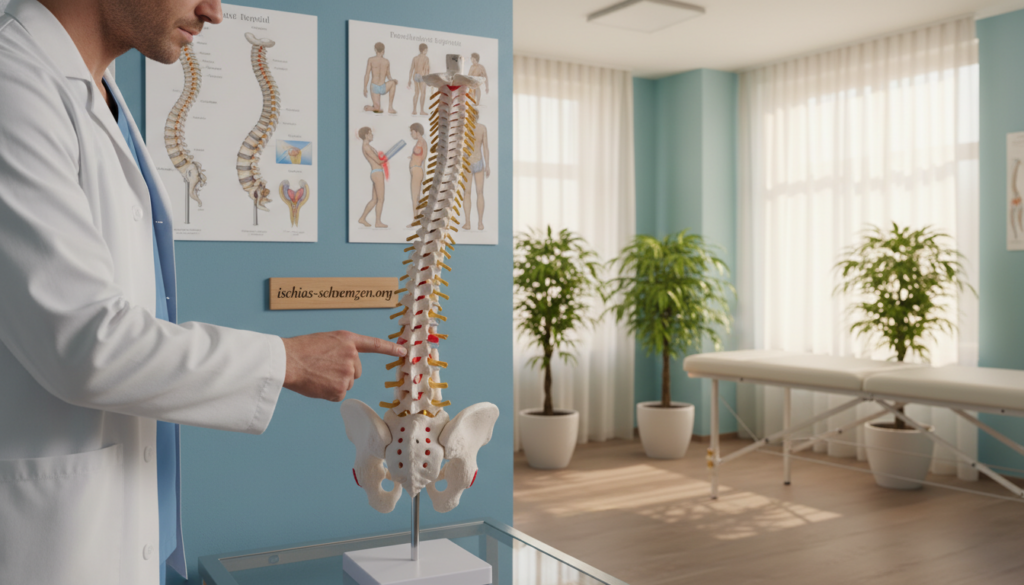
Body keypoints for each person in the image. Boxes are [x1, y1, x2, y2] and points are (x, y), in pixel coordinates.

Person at [0, 1, 406, 584]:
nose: (213, 11)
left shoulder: (99, 93)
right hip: (52, 545)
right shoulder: (15, 83)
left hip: (120, 520)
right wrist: (286, 361)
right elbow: (86, 344)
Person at [357, 127, 388, 228]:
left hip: (376, 172)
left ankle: (362, 218)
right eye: (370, 133)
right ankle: (378, 222)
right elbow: (379, 161)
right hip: (377, 173)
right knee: (381, 199)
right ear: (366, 135)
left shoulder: (367, 146)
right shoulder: (366, 146)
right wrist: (388, 156)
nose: (372, 135)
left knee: (375, 199)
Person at [462, 123, 489, 231]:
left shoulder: (464, 127)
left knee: (467, 193)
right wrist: (487, 165)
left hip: (467, 162)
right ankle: (480, 223)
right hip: (478, 161)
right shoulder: (482, 128)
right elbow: (485, 148)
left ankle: (468, 223)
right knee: (479, 192)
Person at [363, 41, 397, 114]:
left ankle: (390, 108)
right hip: (377, 87)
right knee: (378, 109)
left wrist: (365, 87)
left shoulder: (372, 60)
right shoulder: (385, 61)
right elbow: (388, 75)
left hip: (378, 86)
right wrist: (365, 87)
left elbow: (367, 74)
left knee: (393, 83)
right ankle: (386, 107)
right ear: (383, 51)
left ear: (375, 50)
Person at [408, 123, 428, 227]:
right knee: (415, 196)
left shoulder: (422, 142)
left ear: (417, 132)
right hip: (415, 170)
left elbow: (423, 158)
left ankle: (416, 220)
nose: (411, 135)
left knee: (415, 196)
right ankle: (417, 219)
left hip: (417, 170)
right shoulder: (419, 142)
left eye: (412, 132)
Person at [407, 43, 429, 116]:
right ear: (424, 50)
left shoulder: (415, 58)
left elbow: (411, 70)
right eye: (426, 50)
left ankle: (414, 110)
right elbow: (426, 70)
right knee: (423, 93)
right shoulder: (426, 58)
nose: (427, 51)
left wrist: (409, 80)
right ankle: (421, 110)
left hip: (416, 76)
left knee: (416, 93)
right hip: (422, 76)